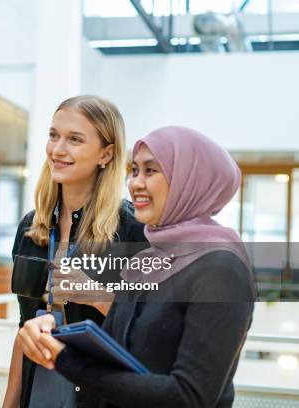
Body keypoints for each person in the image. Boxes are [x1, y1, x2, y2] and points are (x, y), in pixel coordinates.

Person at [18, 126, 255, 408]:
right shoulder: (147, 261)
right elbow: (118, 353)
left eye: (151, 171)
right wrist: (50, 335)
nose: (136, 184)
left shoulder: (221, 268)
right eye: (134, 171)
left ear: (189, 181)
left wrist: (64, 359)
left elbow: (187, 397)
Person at [3, 95, 146, 408]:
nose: (58, 149)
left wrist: (94, 294)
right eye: (54, 135)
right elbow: (23, 328)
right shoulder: (32, 227)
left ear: (106, 154)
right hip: (38, 386)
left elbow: (148, 326)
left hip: (100, 393)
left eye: (75, 139)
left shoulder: (133, 229)